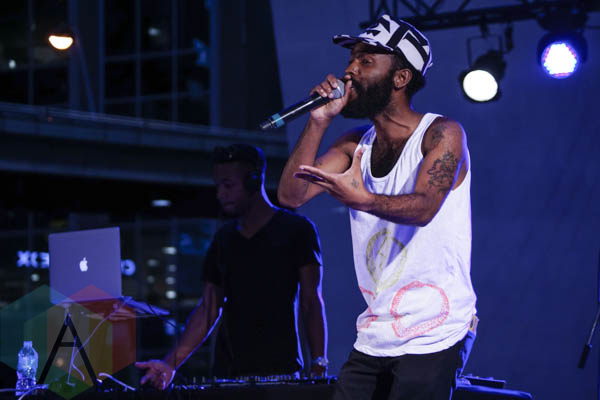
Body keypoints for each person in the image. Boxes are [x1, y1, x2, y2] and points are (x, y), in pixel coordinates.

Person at [278, 14, 477, 400]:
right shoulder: (356, 144)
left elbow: (424, 207)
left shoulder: (442, 133)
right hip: (377, 330)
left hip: (437, 326)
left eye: (366, 61)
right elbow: (291, 196)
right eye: (351, 59)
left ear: (400, 78)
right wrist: (318, 121)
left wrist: (363, 200)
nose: (349, 71)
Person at [137, 144, 328, 390]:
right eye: (218, 186)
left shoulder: (297, 229)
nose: (220, 194)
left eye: (228, 186)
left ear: (253, 181)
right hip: (227, 376)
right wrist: (169, 365)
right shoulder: (223, 239)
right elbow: (208, 309)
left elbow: (311, 301)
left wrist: (319, 362)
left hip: (282, 373)